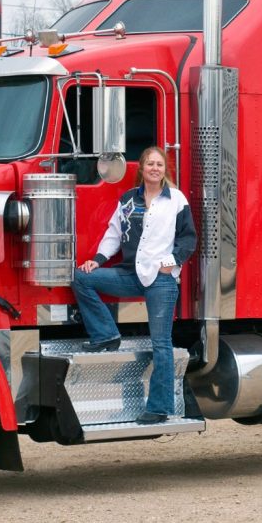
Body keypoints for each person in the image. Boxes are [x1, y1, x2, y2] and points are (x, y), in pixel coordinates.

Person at [71, 146, 197, 424]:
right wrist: (97, 260)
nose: (155, 168)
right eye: (150, 164)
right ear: (141, 168)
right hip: (130, 275)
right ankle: (106, 335)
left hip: (161, 280)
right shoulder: (128, 199)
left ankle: (159, 408)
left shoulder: (176, 199)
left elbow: (188, 239)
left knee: (161, 344)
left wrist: (171, 261)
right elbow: (114, 234)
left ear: (165, 170)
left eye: (159, 164)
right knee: (82, 278)